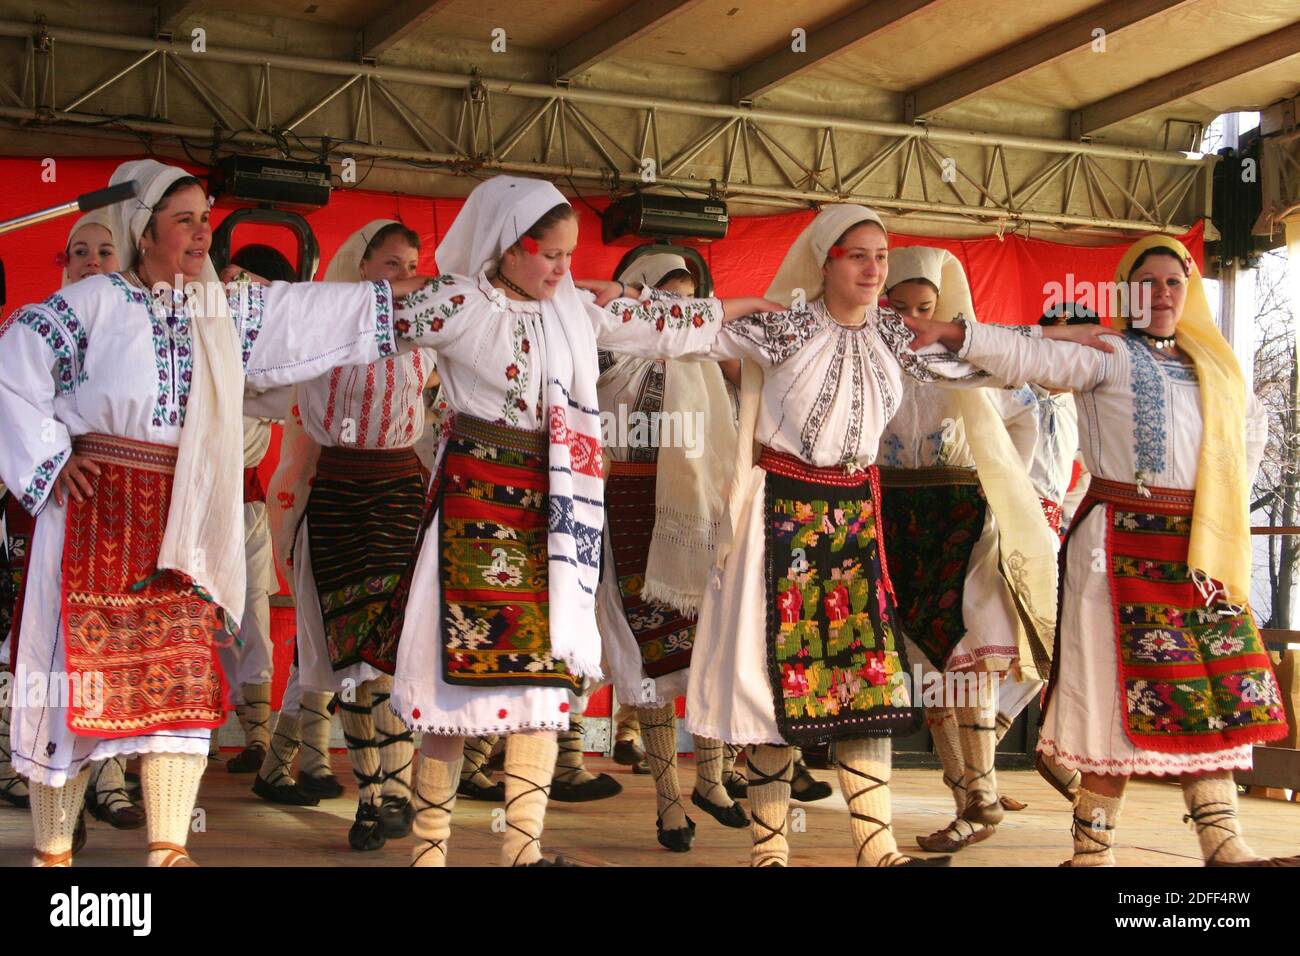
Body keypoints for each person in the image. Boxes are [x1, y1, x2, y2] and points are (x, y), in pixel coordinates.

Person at [0, 158, 424, 866]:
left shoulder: (217, 309)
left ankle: (169, 848)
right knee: (74, 683)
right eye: (184, 221)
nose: (201, 234)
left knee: (182, 682)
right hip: (95, 515)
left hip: (183, 516)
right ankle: (53, 852)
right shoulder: (95, 302)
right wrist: (50, 459)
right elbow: (12, 367)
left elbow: (307, 312)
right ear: (144, 232)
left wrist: (418, 298)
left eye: (206, 220)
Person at [376, 174, 780, 867]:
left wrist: (743, 310)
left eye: (570, 254)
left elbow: (665, 324)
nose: (568, 270)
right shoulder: (461, 303)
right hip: (477, 506)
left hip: (555, 519)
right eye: (552, 255)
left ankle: (524, 852)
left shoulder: (570, 307)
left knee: (541, 690)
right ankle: (427, 854)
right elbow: (360, 318)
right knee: (453, 695)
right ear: (508, 249)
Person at [903, 234, 1297, 867]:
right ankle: (1093, 853)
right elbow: (1029, 356)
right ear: (1125, 293)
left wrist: (1220, 529)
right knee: (1109, 702)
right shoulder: (1107, 354)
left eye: (1175, 282)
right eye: (1149, 283)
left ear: (1189, 289)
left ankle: (1224, 843)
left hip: (1197, 557)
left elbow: (1245, 450)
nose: (1163, 294)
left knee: (1210, 696)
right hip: (1115, 552)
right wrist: (952, 332)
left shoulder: (1217, 369)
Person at [684, 206, 1040, 868]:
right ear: (826, 260)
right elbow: (685, 336)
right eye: (858, 255)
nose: (873, 268)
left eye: (881, 255)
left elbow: (990, 366)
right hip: (781, 515)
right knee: (773, 689)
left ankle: (877, 850)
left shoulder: (896, 337)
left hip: (853, 520)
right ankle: (769, 851)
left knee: (866, 686)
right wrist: (699, 305)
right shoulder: (785, 328)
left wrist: (1054, 344)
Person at [263, 221, 433, 849]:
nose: (404, 274)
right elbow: (284, 422)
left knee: (389, 651)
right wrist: (286, 527)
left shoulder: (427, 334)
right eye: (391, 263)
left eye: (412, 264)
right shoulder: (318, 335)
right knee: (351, 654)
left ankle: (396, 789)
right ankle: (371, 794)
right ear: (361, 268)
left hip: (397, 492)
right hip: (335, 495)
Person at [877, 246, 1052, 854]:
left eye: (924, 307)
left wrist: (1006, 482)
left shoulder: (970, 362)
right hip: (895, 518)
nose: (911, 319)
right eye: (897, 307)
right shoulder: (873, 361)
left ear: (943, 306)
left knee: (967, 653)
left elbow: (1027, 413)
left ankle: (980, 795)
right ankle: (972, 801)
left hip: (963, 514)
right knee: (925, 661)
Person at [594, 252, 749, 850]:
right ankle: (667, 804)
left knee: (707, 648)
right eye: (665, 299)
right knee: (651, 662)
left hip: (700, 516)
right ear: (639, 298)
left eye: (687, 302)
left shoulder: (708, 358)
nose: (677, 313)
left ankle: (711, 780)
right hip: (630, 510)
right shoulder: (611, 353)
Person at [220, 245, 298, 776]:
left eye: (246, 284)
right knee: (188, 614)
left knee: (250, 615)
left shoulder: (274, 354)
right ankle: (180, 737)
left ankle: (257, 735)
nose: (232, 288)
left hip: (242, 501)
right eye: (229, 279)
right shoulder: (194, 335)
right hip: (186, 496)